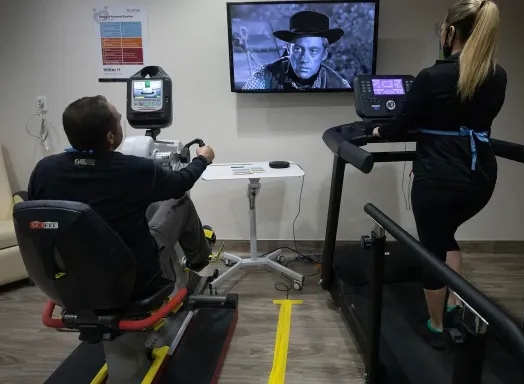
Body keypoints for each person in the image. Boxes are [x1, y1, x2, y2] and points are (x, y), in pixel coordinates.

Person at [373, 0, 504, 349]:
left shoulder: (433, 76)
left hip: (437, 178)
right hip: (480, 178)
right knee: (447, 236)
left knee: (431, 248)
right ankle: (453, 303)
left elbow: (402, 123)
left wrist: (377, 133)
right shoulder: (497, 74)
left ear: (450, 32)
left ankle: (435, 325)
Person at [27, 96, 216, 298]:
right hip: (134, 279)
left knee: (150, 206)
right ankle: (200, 259)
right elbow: (180, 183)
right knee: (179, 200)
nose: (121, 125)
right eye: (118, 120)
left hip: (69, 278)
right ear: (110, 137)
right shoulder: (134, 170)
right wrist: (202, 159)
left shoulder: (44, 170)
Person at [242, 10, 351, 90]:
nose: (304, 59)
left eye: (313, 51)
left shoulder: (340, 84)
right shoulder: (266, 76)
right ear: (289, 49)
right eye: (298, 49)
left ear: (324, 54)